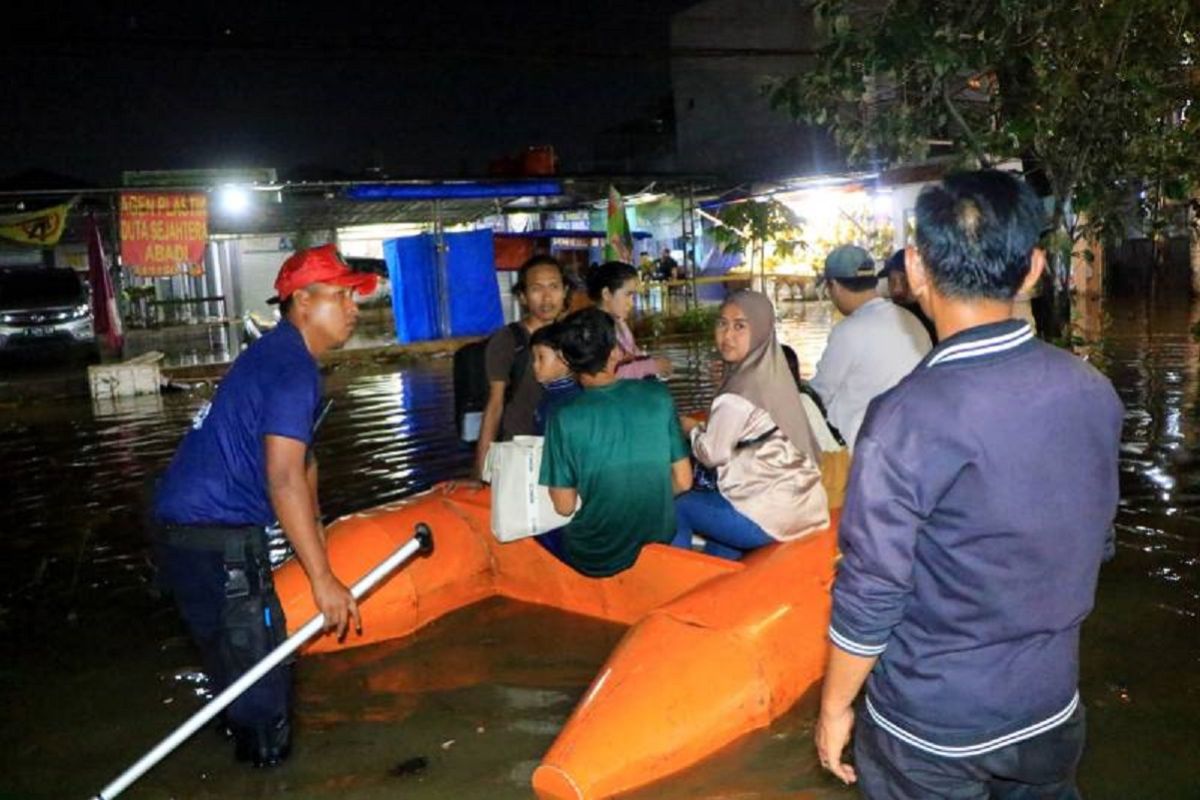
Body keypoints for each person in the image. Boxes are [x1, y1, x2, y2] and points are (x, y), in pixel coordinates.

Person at [815, 171, 1123, 799]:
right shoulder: (1091, 389)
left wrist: (833, 708)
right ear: (1034, 268)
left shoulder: (905, 416)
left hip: (933, 731)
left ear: (915, 269)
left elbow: (872, 589)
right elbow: (1097, 537)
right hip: (1050, 707)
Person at [152, 244, 376, 766]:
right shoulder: (294, 368)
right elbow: (281, 478)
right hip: (217, 535)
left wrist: (315, 538)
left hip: (179, 529)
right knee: (263, 692)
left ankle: (235, 752)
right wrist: (322, 580)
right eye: (342, 296)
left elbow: (303, 461)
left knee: (233, 674)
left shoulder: (274, 353)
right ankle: (265, 774)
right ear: (302, 301)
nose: (354, 308)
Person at [674, 291, 829, 560]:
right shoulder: (774, 375)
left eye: (739, 326)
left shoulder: (736, 394)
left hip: (771, 515)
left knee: (679, 505)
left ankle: (672, 585)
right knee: (718, 543)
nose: (727, 335)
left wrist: (692, 429)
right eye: (722, 323)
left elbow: (713, 454)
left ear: (759, 330)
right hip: (806, 506)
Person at [538, 307, 693, 576]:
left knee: (541, 535)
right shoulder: (658, 395)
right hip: (659, 536)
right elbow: (683, 481)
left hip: (594, 554)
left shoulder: (563, 416)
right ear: (615, 353)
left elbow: (563, 506)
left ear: (564, 358)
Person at [809, 244, 931, 449]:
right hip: (910, 441)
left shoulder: (848, 331)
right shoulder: (912, 321)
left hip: (859, 450)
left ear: (834, 286)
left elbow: (819, 395)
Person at [475, 254, 566, 476]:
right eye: (536, 289)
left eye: (554, 286)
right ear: (523, 297)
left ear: (565, 291)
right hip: (521, 455)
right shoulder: (508, 340)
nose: (547, 297)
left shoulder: (573, 336)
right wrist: (481, 473)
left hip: (565, 452)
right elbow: (494, 406)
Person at [586, 260, 672, 380]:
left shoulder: (619, 323)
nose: (631, 303)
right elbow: (604, 376)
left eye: (634, 296)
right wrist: (651, 366)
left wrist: (652, 363)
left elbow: (633, 353)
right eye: (628, 294)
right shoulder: (593, 330)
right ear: (606, 294)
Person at [529, 322, 582, 435]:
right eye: (534, 358)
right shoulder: (548, 394)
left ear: (564, 359)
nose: (534, 364)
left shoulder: (574, 400)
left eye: (541, 358)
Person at [880, 248, 937, 343]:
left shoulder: (930, 318)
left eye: (904, 280)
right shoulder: (888, 314)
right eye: (892, 281)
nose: (897, 289)